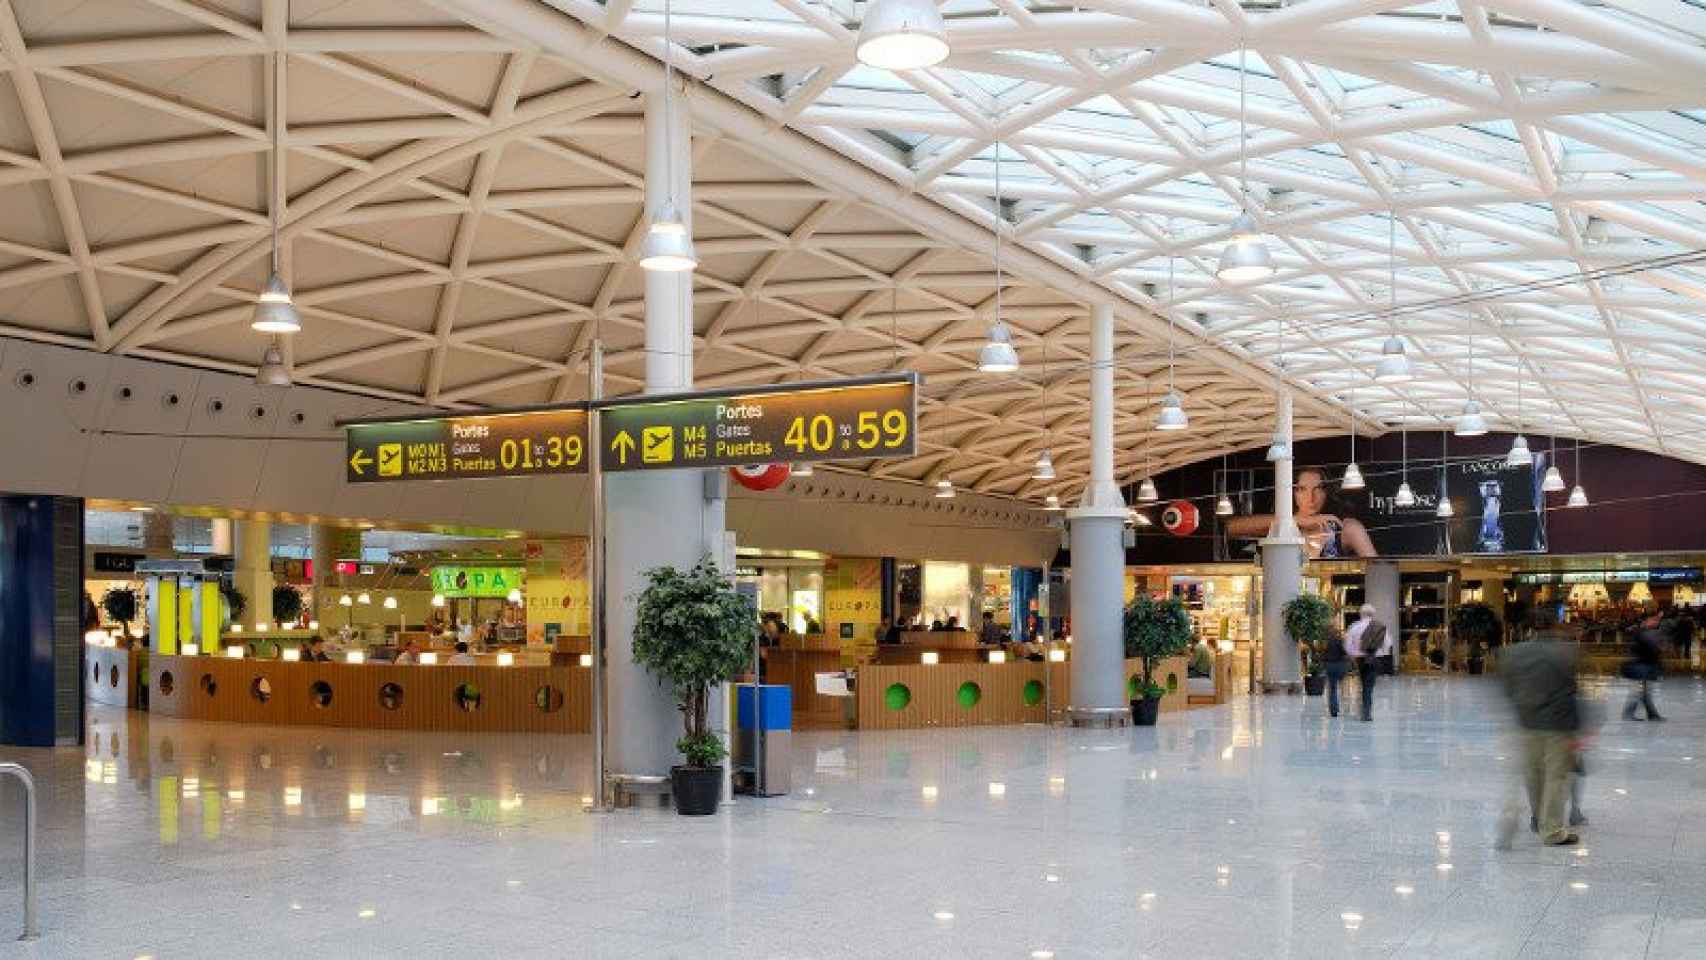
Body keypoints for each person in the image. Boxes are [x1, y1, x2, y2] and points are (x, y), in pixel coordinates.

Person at [1497, 606, 1583, 848]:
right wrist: (1577, 729)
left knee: (1533, 774)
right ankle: (1552, 830)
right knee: (1556, 776)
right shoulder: (1564, 653)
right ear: (1555, 625)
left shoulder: (1512, 653)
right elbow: (1571, 691)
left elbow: (1507, 687)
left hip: (1526, 722)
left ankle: (1538, 818)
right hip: (1558, 724)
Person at [1224, 466, 1377, 558]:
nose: (1311, 498)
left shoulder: (1344, 527)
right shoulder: (1282, 524)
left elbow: (1377, 571)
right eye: (1302, 489)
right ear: (1292, 493)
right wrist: (1294, 520)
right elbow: (1230, 527)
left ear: (1327, 492)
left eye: (1318, 489)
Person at [1344, 604, 1389, 721]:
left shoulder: (1354, 627)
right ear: (1373, 614)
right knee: (1368, 686)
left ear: (1361, 614)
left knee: (1363, 685)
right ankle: (1366, 713)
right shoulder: (1379, 626)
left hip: (1359, 659)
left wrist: (1353, 655)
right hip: (1374, 658)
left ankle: (1364, 711)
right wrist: (1380, 653)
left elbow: (1348, 645)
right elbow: (1387, 644)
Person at [1623, 612, 1665, 721]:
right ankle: (1646, 714)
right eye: (1653, 620)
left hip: (1645, 666)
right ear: (1646, 621)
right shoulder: (1642, 633)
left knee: (1643, 692)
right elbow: (1651, 649)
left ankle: (1650, 714)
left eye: (1657, 620)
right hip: (1642, 666)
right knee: (1642, 692)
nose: (1656, 622)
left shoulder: (1646, 632)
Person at [1321, 624, 1350, 718]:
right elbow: (1345, 652)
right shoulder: (1340, 641)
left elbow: (1323, 655)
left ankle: (1334, 710)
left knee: (1332, 689)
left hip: (1329, 666)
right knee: (1343, 687)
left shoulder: (1325, 642)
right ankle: (1346, 707)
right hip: (1340, 665)